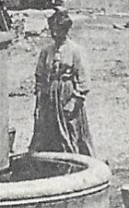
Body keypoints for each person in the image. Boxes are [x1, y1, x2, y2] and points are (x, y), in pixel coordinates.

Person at [30, 9, 94, 157]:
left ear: (65, 30)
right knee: (48, 130)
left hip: (67, 93)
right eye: (52, 30)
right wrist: (40, 97)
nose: (54, 34)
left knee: (71, 128)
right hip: (50, 96)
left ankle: (76, 160)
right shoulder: (46, 51)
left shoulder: (75, 50)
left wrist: (75, 100)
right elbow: (40, 75)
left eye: (58, 31)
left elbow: (83, 79)